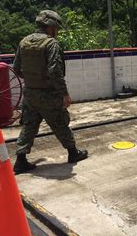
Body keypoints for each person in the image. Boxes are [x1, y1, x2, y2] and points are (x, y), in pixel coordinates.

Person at [12, 10, 88, 174]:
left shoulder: (24, 42)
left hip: (30, 94)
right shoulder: (51, 44)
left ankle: (20, 160)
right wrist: (64, 93)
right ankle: (73, 153)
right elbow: (55, 71)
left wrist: (33, 80)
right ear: (51, 27)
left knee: (29, 126)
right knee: (60, 122)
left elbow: (16, 68)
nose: (57, 32)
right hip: (48, 94)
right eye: (57, 28)